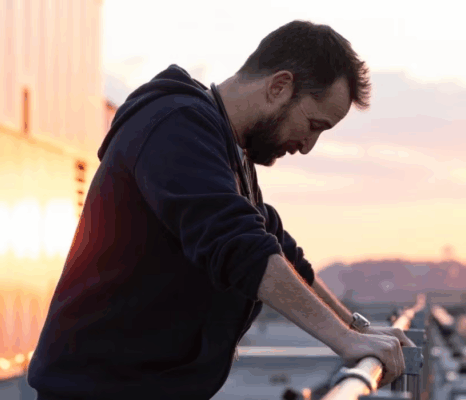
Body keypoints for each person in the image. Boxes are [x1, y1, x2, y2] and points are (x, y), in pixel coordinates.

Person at [27, 20, 414, 400]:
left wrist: (356, 329)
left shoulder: (227, 146)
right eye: (313, 125)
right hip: (100, 391)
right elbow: (240, 246)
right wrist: (343, 340)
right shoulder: (174, 125)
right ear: (280, 86)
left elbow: (277, 246)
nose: (307, 145)